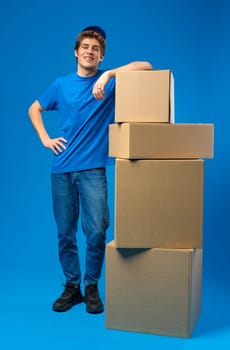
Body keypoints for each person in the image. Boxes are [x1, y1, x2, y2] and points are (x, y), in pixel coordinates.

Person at [28, 25, 152, 314]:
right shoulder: (61, 84)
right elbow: (34, 109)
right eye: (85, 47)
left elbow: (146, 66)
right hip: (61, 170)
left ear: (101, 57)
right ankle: (72, 288)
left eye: (95, 49)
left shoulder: (108, 83)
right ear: (76, 52)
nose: (89, 52)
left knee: (96, 231)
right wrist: (46, 139)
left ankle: (92, 286)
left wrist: (109, 75)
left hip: (93, 170)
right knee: (65, 233)